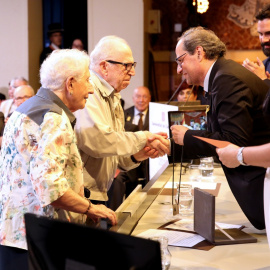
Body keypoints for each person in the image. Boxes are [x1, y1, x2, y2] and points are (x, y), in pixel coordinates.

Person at [0, 49, 117, 270]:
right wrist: (90, 208)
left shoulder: (22, 109)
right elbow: (50, 188)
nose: (91, 89)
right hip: (38, 241)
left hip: (13, 235)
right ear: (70, 83)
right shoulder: (53, 118)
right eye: (88, 81)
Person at [170, 26, 270, 230]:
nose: (179, 69)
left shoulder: (226, 78)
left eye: (180, 60)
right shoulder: (222, 75)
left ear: (199, 52)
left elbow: (233, 141)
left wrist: (188, 136)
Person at [74, 36, 170, 207]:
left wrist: (138, 154)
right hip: (80, 194)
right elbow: (98, 142)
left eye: (133, 65)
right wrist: (144, 137)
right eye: (126, 66)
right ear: (104, 66)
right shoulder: (89, 91)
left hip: (97, 192)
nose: (132, 72)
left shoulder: (113, 96)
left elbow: (113, 153)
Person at [108, 86, 151, 210]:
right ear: (133, 98)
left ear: (150, 99)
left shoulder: (156, 114)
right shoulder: (124, 113)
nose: (141, 100)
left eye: (144, 96)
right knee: (117, 178)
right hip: (126, 157)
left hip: (146, 159)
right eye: (138, 96)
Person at [242, 4, 270, 80]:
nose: (263, 40)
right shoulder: (265, 64)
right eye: (260, 34)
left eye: (268, 33)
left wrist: (264, 80)